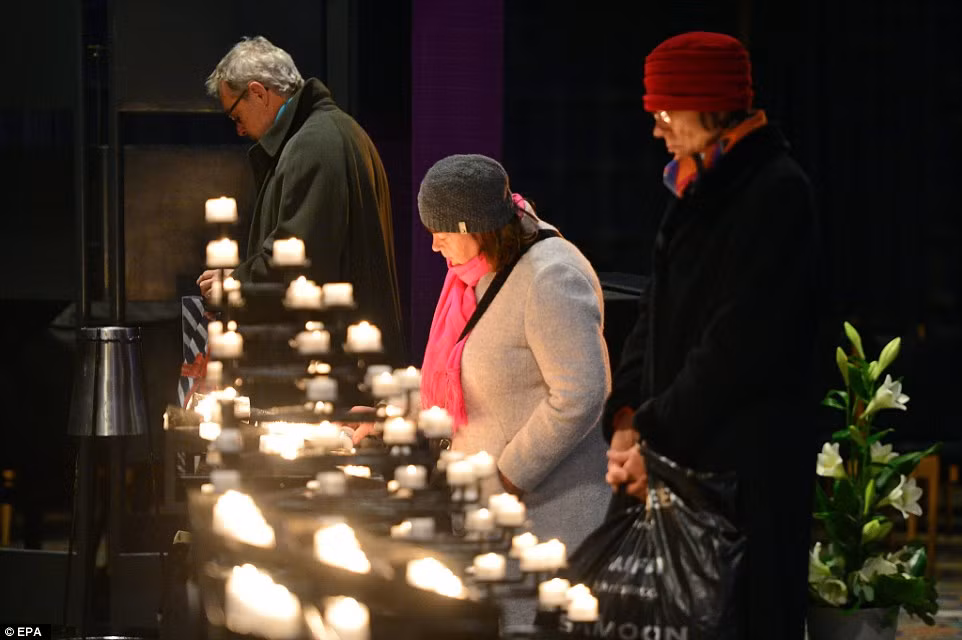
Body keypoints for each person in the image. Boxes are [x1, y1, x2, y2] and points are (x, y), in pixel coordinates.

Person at [603, 32, 819, 640]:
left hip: (740, 478)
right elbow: (653, 307)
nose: (657, 129)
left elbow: (738, 344)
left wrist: (655, 434)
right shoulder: (693, 183)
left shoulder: (776, 191)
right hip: (675, 454)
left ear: (710, 106)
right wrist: (626, 416)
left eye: (666, 113)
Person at [419, 154, 611, 626]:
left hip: (548, 517)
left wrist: (507, 476)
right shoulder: (474, 273)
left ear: (476, 226)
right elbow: (459, 374)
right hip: (497, 513)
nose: (433, 243)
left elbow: (581, 393)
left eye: (442, 229)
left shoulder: (550, 276)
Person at [197, 36, 404, 360]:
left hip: (329, 365)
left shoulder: (313, 144)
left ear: (258, 93)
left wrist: (235, 283)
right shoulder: (334, 130)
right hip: (346, 356)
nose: (238, 130)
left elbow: (300, 261)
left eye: (236, 116)